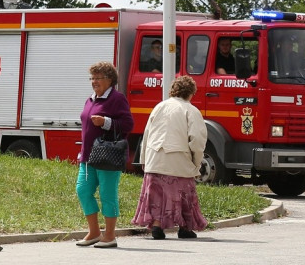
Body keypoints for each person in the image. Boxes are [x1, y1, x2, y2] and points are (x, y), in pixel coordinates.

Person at [132, 75, 209, 239]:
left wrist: (145, 160)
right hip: (178, 161)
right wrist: (196, 163)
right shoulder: (191, 110)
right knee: (183, 195)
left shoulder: (159, 107)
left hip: (155, 159)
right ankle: (185, 227)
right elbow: (197, 140)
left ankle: (157, 226)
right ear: (191, 93)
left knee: (157, 195)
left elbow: (147, 135)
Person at [76, 61, 134, 248]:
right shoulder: (90, 99)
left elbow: (128, 125)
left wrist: (106, 122)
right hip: (87, 157)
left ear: (110, 80)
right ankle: (94, 232)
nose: (94, 81)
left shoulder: (117, 99)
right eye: (92, 78)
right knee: (83, 191)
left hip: (107, 157)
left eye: (98, 78)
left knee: (108, 194)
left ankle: (110, 235)